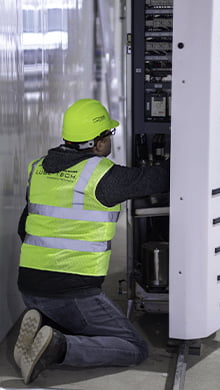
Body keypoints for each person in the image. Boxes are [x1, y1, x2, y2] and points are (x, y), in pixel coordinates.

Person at [14, 98, 170, 384]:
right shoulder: (102, 175)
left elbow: (23, 227)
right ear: (97, 144)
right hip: (70, 293)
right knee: (133, 348)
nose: (109, 141)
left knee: (76, 317)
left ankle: (43, 324)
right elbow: (159, 178)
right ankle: (59, 347)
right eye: (108, 135)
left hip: (29, 286)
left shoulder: (38, 168)